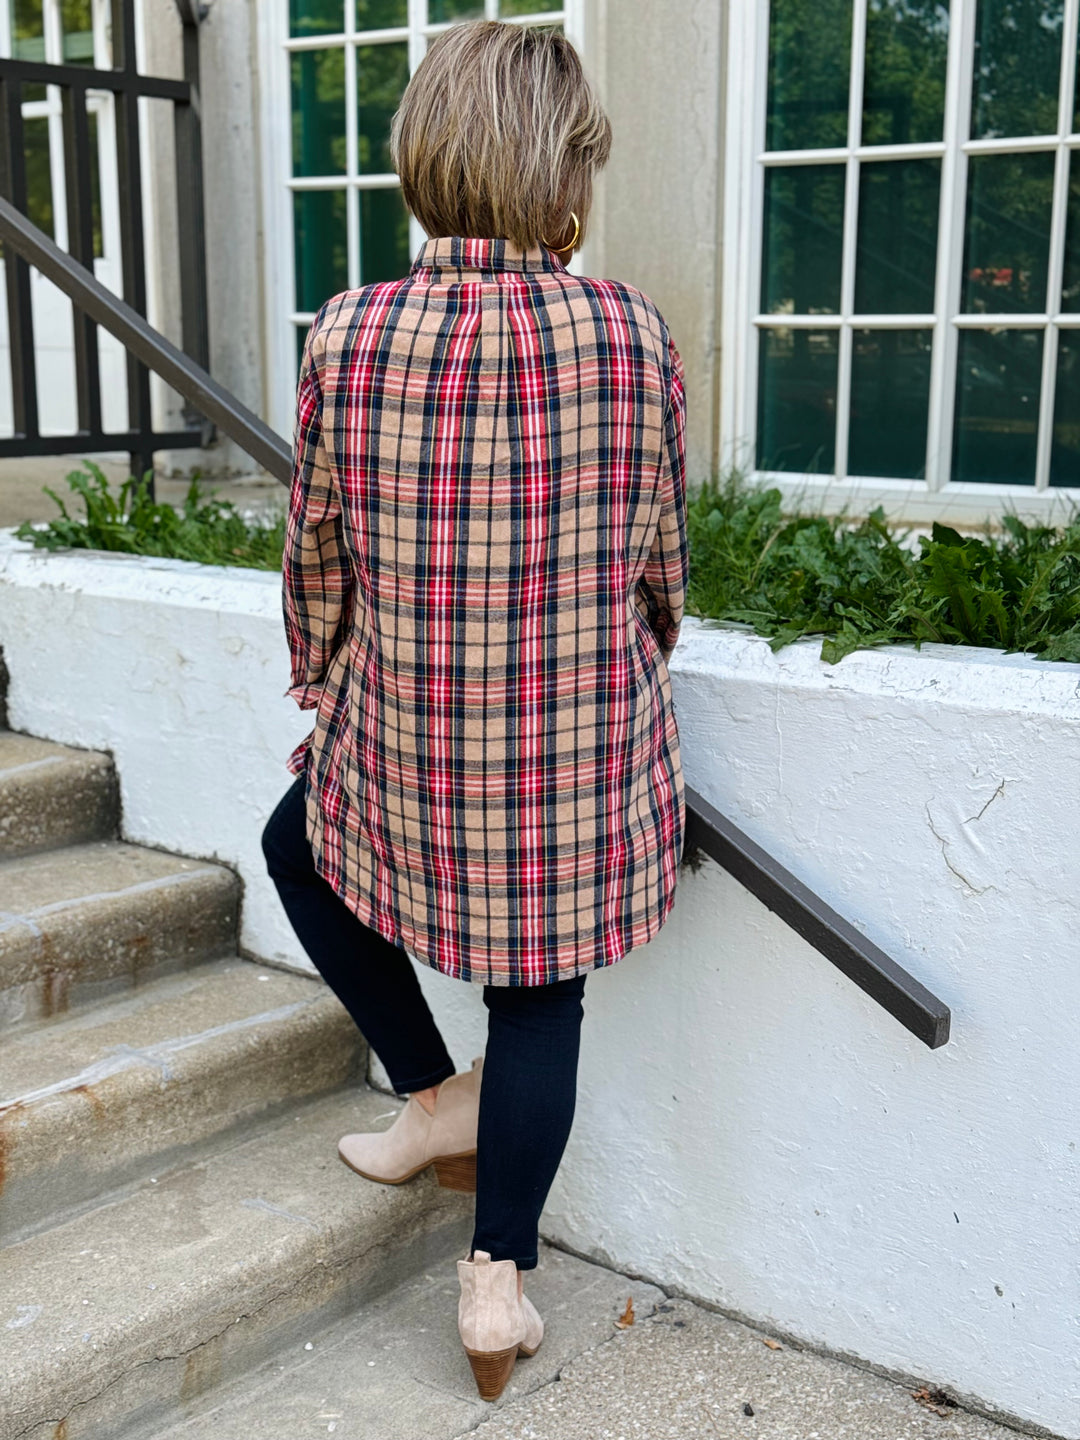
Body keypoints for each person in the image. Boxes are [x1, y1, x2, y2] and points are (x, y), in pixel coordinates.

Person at [261, 18, 687, 1403]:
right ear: (562, 174)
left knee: (295, 842)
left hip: (409, 734)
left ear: (426, 158)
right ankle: (496, 1279)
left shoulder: (352, 332)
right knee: (544, 995)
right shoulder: (633, 332)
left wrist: (324, 693)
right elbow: (659, 569)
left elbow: (317, 558)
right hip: (577, 742)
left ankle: (433, 1092)